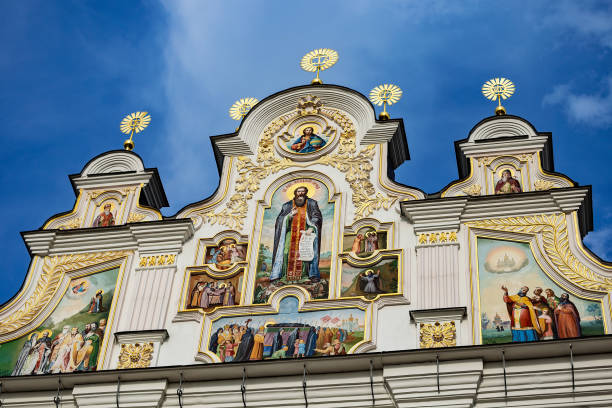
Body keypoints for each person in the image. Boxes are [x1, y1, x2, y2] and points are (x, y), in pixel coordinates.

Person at [271, 186, 323, 283]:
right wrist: (290, 215)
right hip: (290, 234)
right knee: (286, 252)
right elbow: (280, 220)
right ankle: (285, 276)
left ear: (306, 193)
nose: (301, 193)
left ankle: (304, 276)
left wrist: (312, 228)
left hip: (305, 233)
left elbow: (317, 216)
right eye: (299, 191)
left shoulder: (312, 203)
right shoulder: (287, 205)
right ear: (295, 193)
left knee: (303, 253)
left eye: (303, 191)